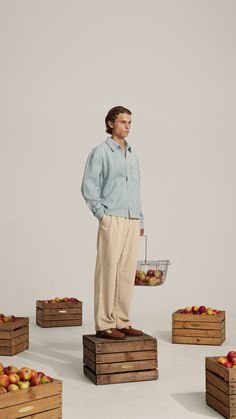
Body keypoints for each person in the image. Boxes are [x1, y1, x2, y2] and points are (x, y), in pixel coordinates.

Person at [81, 106, 144, 340]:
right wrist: (102, 215)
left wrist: (140, 218)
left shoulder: (133, 153)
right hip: (112, 219)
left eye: (130, 122)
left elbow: (135, 189)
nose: (127, 126)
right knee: (108, 271)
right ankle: (105, 323)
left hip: (132, 219)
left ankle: (123, 320)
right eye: (122, 122)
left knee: (127, 273)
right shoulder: (100, 152)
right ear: (110, 124)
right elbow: (89, 186)